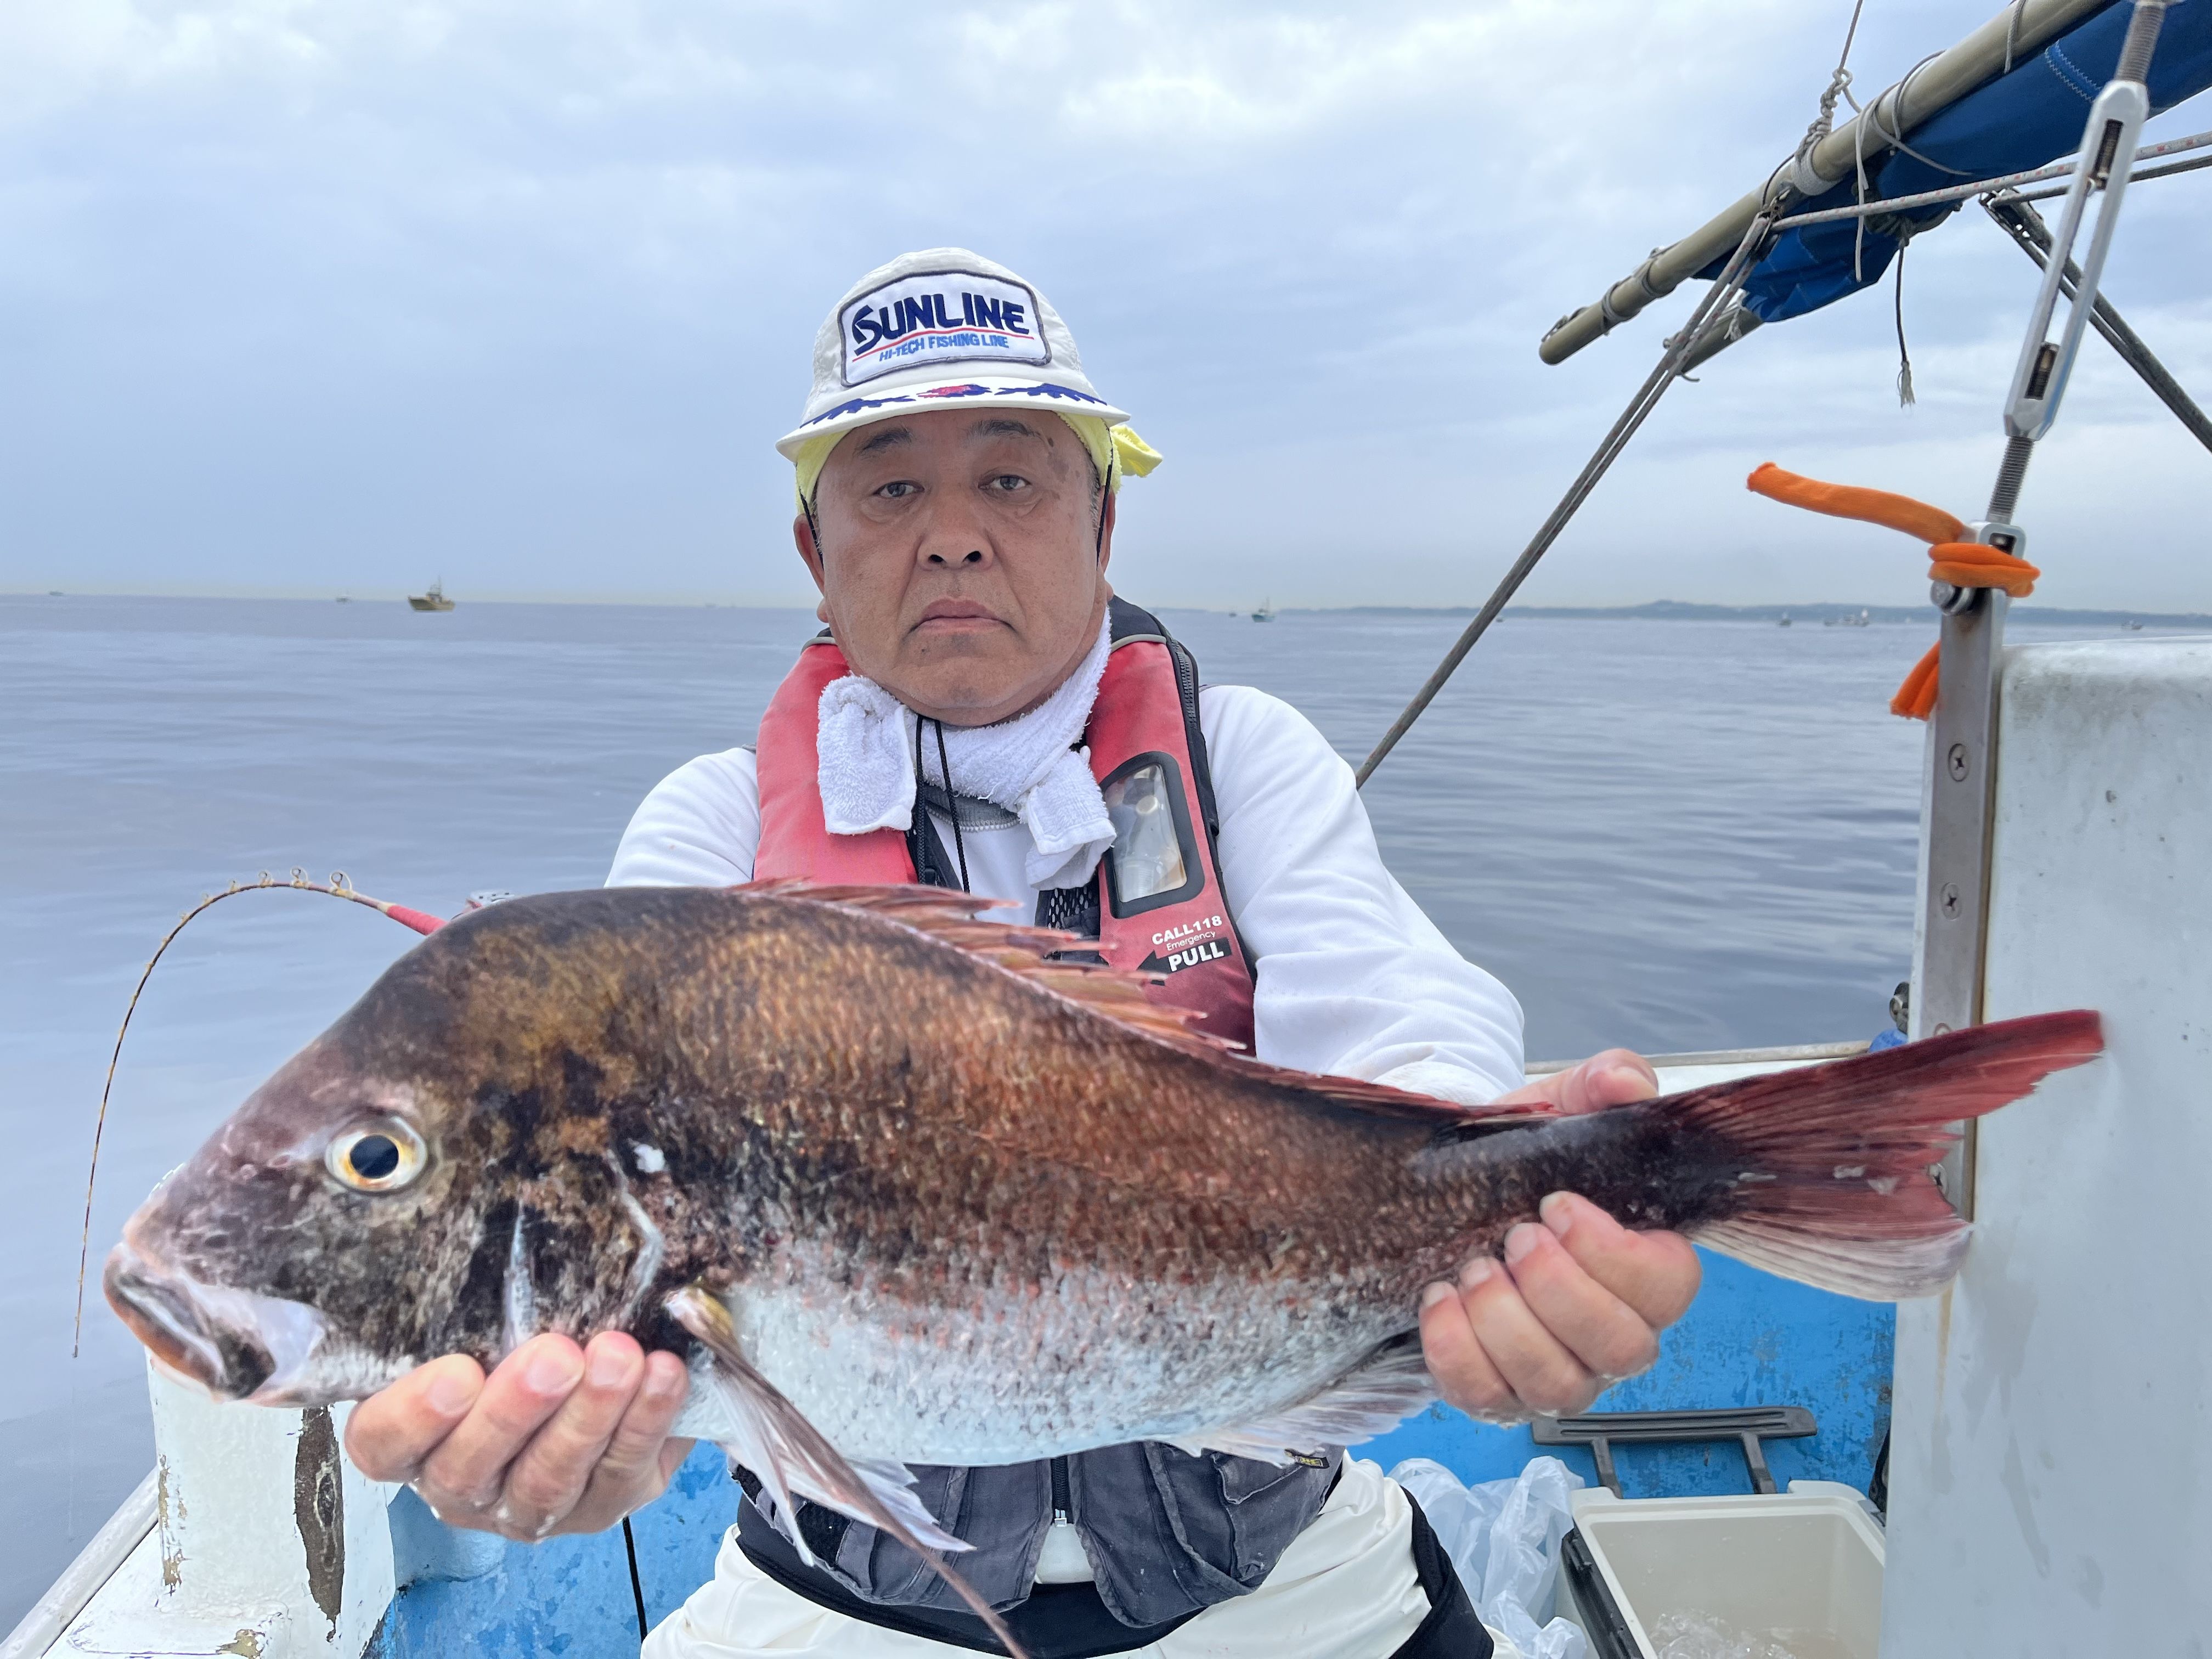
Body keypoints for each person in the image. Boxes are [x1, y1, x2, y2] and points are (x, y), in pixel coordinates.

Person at [346, 249, 1702, 1658]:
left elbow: (1399, 1026)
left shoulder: (1241, 756)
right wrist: (586, 1437)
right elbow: (628, 1215)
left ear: (1102, 525)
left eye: (1010, 479)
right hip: (843, 1602)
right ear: (815, 552)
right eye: (890, 489)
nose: (952, 536)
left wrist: (1510, 1212)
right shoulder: (715, 828)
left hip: (1280, 1569)